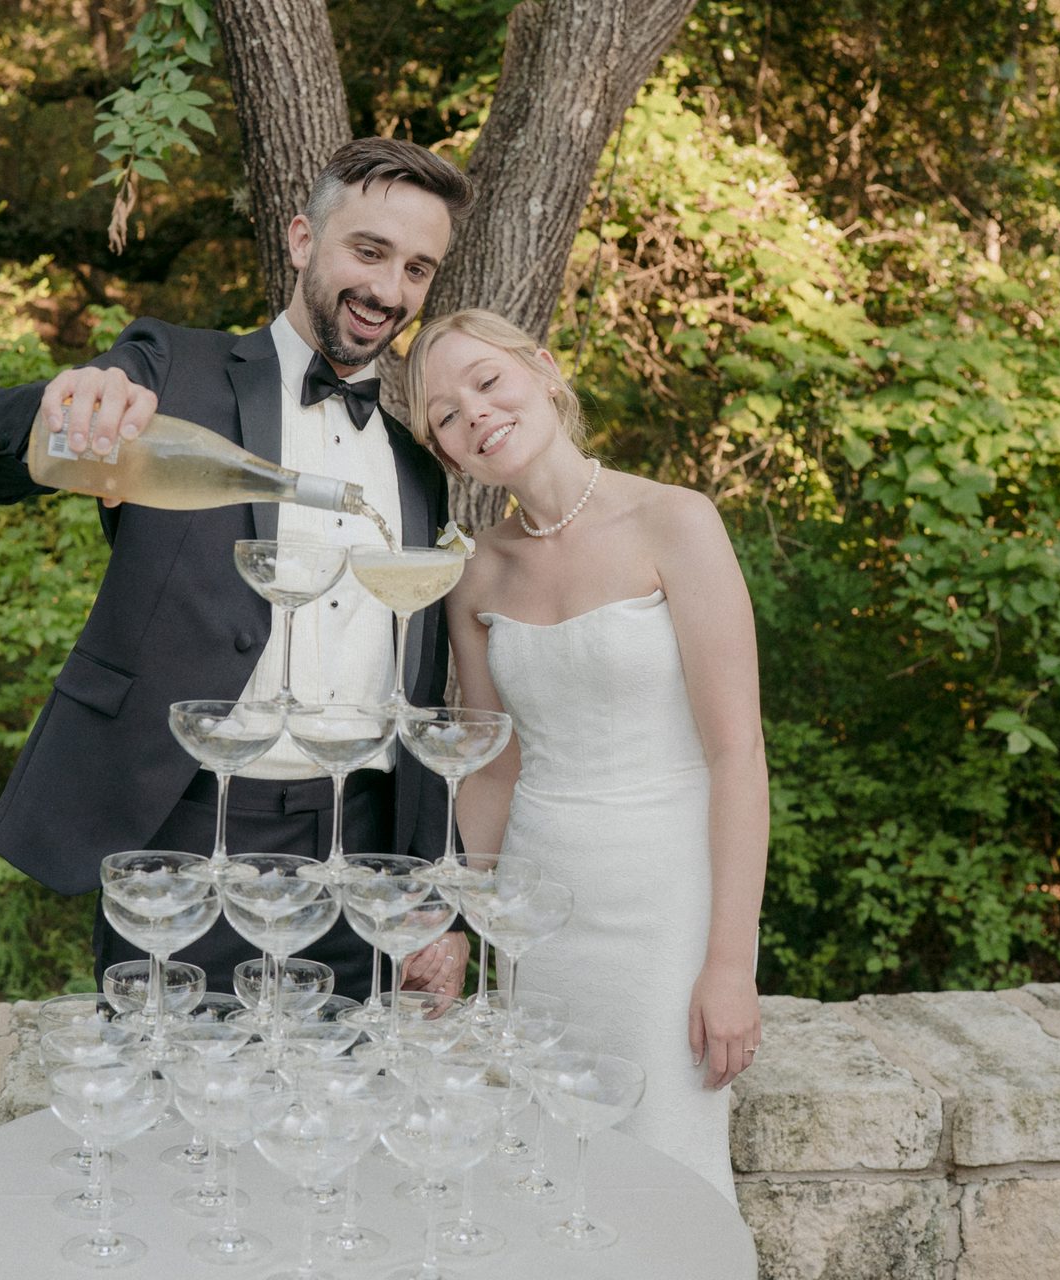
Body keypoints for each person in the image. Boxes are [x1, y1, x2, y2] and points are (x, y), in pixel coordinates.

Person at [0, 139, 473, 1003]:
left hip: (361, 856)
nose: (389, 290)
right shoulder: (171, 372)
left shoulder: (421, 460)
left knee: (336, 1119)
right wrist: (63, 405)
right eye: (369, 251)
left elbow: (422, 687)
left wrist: (432, 890)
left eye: (418, 268)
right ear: (304, 240)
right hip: (183, 831)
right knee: (166, 1110)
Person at [402, 308, 770, 1204]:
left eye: (487, 382)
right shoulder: (479, 572)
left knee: (663, 1162)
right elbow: (495, 766)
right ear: (447, 453)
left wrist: (731, 964)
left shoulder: (676, 521)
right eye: (445, 415)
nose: (475, 414)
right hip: (539, 903)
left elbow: (737, 754)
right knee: (547, 1160)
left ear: (543, 369)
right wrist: (454, 920)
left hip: (664, 899)